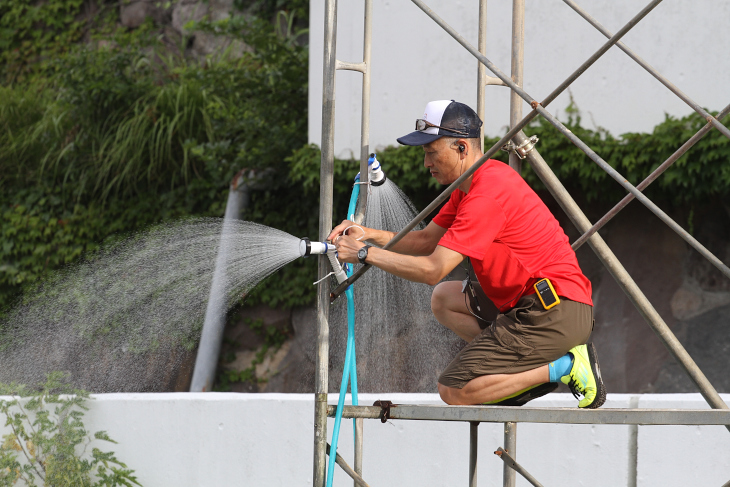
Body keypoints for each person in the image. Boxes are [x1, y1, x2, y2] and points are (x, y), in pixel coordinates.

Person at [329, 100, 606, 408]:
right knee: (445, 299)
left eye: (431, 152)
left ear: (461, 146)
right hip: (539, 305)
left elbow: (434, 268)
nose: (426, 162)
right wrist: (368, 234)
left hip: (551, 313)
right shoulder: (471, 185)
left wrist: (365, 254)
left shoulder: (486, 194)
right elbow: (425, 241)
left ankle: (563, 367)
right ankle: (515, 371)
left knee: (454, 390)